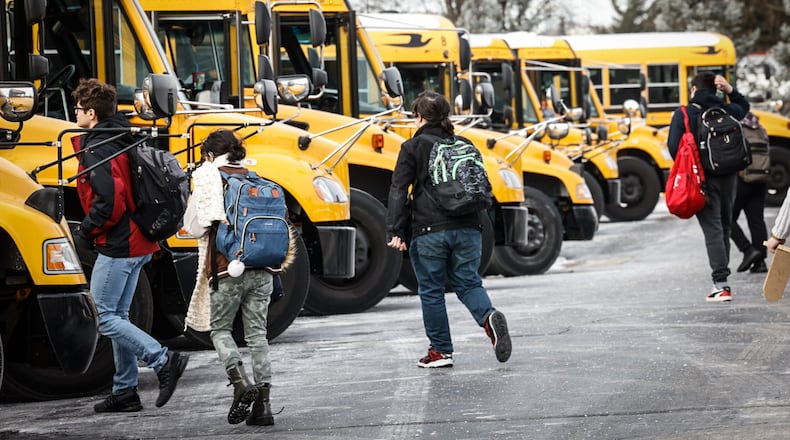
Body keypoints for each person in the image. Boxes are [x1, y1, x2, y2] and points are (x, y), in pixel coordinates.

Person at [71, 78, 189, 413]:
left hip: (119, 242)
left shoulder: (98, 146)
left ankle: (163, 359)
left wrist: (87, 232)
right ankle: (125, 391)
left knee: (103, 316)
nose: (75, 114)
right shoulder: (120, 136)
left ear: (91, 113)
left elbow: (110, 202)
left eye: (78, 109)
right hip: (140, 239)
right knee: (119, 314)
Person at [385, 91, 512, 368]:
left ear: (419, 117)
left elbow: (398, 189)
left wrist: (395, 230)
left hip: (430, 230)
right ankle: (488, 317)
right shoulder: (465, 143)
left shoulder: (412, 147)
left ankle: (440, 351)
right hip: (470, 226)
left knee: (431, 290)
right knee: (468, 282)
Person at [183, 129, 291, 425]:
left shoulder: (209, 177)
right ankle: (264, 407)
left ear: (209, 155)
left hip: (227, 268)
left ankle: (241, 383)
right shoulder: (254, 178)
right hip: (264, 269)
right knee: (258, 336)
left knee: (220, 330)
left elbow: (195, 226)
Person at [667, 72, 749, 302]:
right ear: (715, 90)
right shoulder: (726, 110)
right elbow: (745, 107)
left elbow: (675, 148)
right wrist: (730, 91)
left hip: (704, 178)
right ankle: (722, 282)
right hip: (730, 177)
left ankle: (721, 284)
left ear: (694, 89)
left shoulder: (685, 113)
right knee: (724, 224)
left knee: (713, 228)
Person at [731, 112, 769, 274]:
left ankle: (747, 250)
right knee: (757, 220)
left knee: (725, 218)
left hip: (742, 180)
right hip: (760, 178)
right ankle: (760, 262)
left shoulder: (735, 126)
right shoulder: (760, 127)